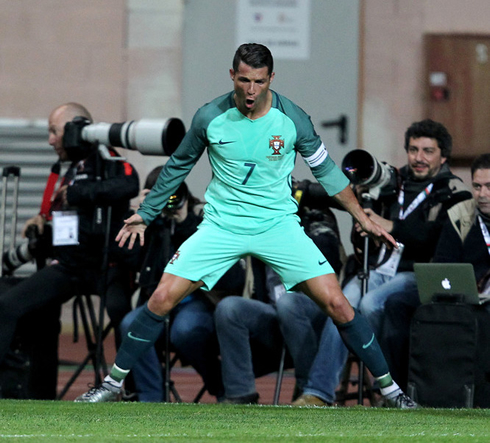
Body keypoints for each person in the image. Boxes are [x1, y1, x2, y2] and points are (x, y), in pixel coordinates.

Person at [75, 43, 416, 408]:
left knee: (340, 305)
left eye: (258, 81)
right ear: (232, 76)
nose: (250, 90)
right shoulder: (210, 117)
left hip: (278, 227)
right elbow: (178, 166)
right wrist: (146, 212)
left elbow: (327, 172)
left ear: (271, 78)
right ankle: (111, 385)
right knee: (160, 299)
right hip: (222, 227)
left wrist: (362, 216)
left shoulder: (293, 119)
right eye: (243, 80)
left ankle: (392, 392)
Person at [292, 118, 472, 407]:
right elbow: (358, 217)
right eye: (413, 150)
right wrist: (365, 222)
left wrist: (391, 225)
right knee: (339, 302)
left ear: (444, 156)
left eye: (428, 151)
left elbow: (438, 236)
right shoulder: (391, 180)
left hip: (415, 274)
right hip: (375, 270)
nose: (419, 158)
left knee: (370, 304)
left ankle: (386, 390)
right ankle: (319, 392)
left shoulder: (453, 190)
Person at [0, 103, 140, 383]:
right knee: (8, 305)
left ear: (77, 129)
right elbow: (71, 221)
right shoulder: (70, 169)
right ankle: (19, 384)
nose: (51, 140)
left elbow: (129, 185)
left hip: (107, 267)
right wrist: (44, 223)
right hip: (69, 267)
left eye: (55, 131)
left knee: (124, 316)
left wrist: (79, 193)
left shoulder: (108, 159)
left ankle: (135, 390)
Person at [120, 168, 243, 402]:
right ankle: (150, 399)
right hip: (158, 300)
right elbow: (130, 263)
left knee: (185, 331)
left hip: (196, 301)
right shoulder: (147, 222)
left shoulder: (202, 218)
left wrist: (185, 222)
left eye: (172, 194)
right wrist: (141, 217)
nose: (169, 201)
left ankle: (220, 386)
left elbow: (228, 273)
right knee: (130, 324)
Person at [381, 153, 490, 390]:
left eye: (489, 187)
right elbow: (443, 261)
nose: (482, 194)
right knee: (396, 304)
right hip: (462, 293)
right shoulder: (461, 214)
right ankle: (398, 391)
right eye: (477, 186)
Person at [215, 204, 343, 404]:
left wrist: (290, 233)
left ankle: (310, 388)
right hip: (273, 312)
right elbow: (232, 279)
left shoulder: (314, 221)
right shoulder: (257, 230)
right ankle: (240, 393)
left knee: (289, 302)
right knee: (229, 307)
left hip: (313, 311)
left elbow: (332, 260)